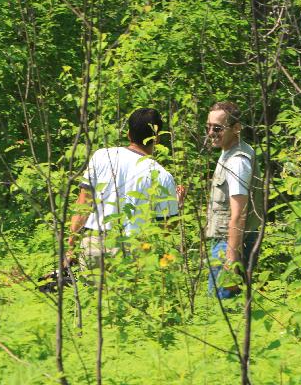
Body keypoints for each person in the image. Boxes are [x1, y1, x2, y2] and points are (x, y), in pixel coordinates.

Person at [67, 108, 180, 271]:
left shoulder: (101, 156)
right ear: (158, 138)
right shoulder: (162, 175)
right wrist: (177, 205)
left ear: (128, 134)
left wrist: (71, 248)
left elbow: (83, 205)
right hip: (133, 249)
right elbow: (164, 230)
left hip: (93, 244)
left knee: (91, 296)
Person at [205, 102, 262, 299]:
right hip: (225, 241)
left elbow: (239, 215)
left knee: (222, 305)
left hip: (231, 244)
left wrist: (231, 261)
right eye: (209, 127)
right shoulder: (227, 152)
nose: (211, 132)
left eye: (218, 128)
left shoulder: (238, 161)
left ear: (236, 128)